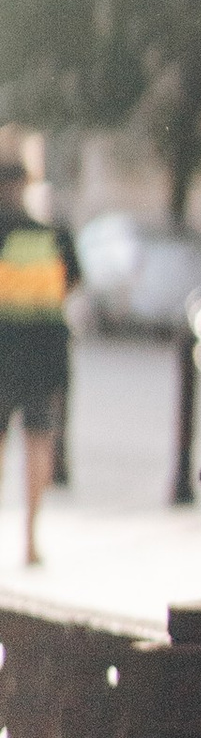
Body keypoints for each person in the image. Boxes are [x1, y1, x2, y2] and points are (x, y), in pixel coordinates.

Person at [0, 134, 80, 569]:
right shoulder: (54, 231)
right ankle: (31, 539)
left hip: (3, 350)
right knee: (38, 441)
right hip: (45, 354)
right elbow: (73, 282)